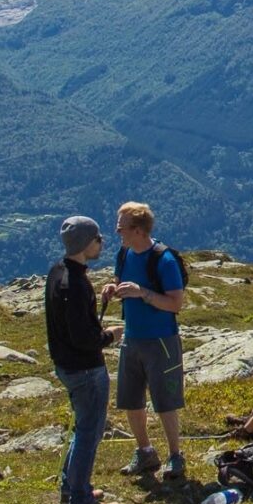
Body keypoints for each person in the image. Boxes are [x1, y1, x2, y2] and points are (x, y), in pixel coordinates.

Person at [101, 201, 188, 481]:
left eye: (121, 227)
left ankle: (176, 455)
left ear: (137, 230)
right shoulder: (125, 254)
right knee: (131, 399)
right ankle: (145, 451)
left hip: (161, 339)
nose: (117, 232)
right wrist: (112, 288)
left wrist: (144, 294)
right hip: (133, 337)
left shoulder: (163, 260)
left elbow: (175, 304)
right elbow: (119, 280)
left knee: (165, 400)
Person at [44, 215, 122, 504]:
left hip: (66, 365)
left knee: (82, 427)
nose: (101, 242)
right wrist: (109, 337)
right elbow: (83, 337)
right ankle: (81, 500)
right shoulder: (75, 284)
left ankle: (72, 485)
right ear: (86, 243)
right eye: (98, 238)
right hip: (86, 369)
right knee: (90, 431)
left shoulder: (57, 273)